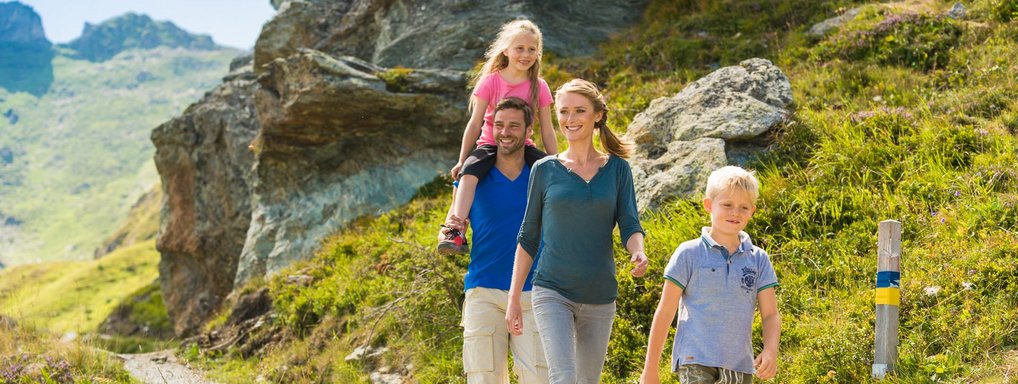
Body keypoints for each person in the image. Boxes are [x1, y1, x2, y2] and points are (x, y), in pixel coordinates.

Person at [505, 78, 648, 383]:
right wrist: (514, 298)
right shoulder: (544, 170)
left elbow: (629, 222)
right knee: (564, 378)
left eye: (579, 111)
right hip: (552, 289)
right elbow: (528, 235)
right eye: (564, 111)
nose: (570, 119)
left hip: (600, 293)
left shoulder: (618, 169)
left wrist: (638, 251)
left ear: (597, 115)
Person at [639, 166, 780, 384]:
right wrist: (650, 370)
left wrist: (770, 351)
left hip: (740, 364)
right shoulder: (688, 253)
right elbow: (665, 312)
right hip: (694, 359)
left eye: (743, 207)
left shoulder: (758, 259)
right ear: (708, 205)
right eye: (727, 205)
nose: (735, 212)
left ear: (752, 211)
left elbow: (770, 314)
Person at [446, 97, 548, 383]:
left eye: (514, 126)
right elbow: (452, 222)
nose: (505, 132)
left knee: (540, 378)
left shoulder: (542, 174)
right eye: (499, 125)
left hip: (535, 291)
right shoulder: (473, 176)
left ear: (529, 130)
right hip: (484, 291)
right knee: (483, 378)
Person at [438, 19, 558, 254]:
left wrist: (556, 159)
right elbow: (475, 123)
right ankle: (456, 228)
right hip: (490, 144)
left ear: (538, 52)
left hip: (524, 146)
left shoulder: (539, 85)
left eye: (532, 49)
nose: (526, 54)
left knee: (552, 176)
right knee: (469, 173)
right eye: (519, 48)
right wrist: (463, 160)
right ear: (506, 50)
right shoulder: (491, 80)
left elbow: (547, 129)